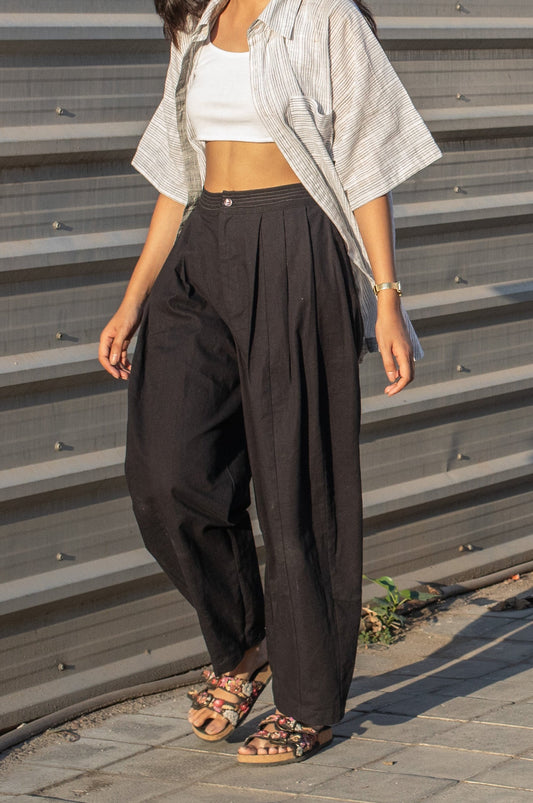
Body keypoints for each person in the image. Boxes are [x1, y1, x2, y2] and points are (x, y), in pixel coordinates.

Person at [99, 0, 441, 765]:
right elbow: (176, 172)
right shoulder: (197, 18)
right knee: (166, 475)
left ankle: (309, 701)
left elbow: (365, 154)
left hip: (293, 239)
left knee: (297, 483)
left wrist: (386, 299)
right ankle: (245, 643)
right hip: (201, 248)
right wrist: (132, 298)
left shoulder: (321, 16)